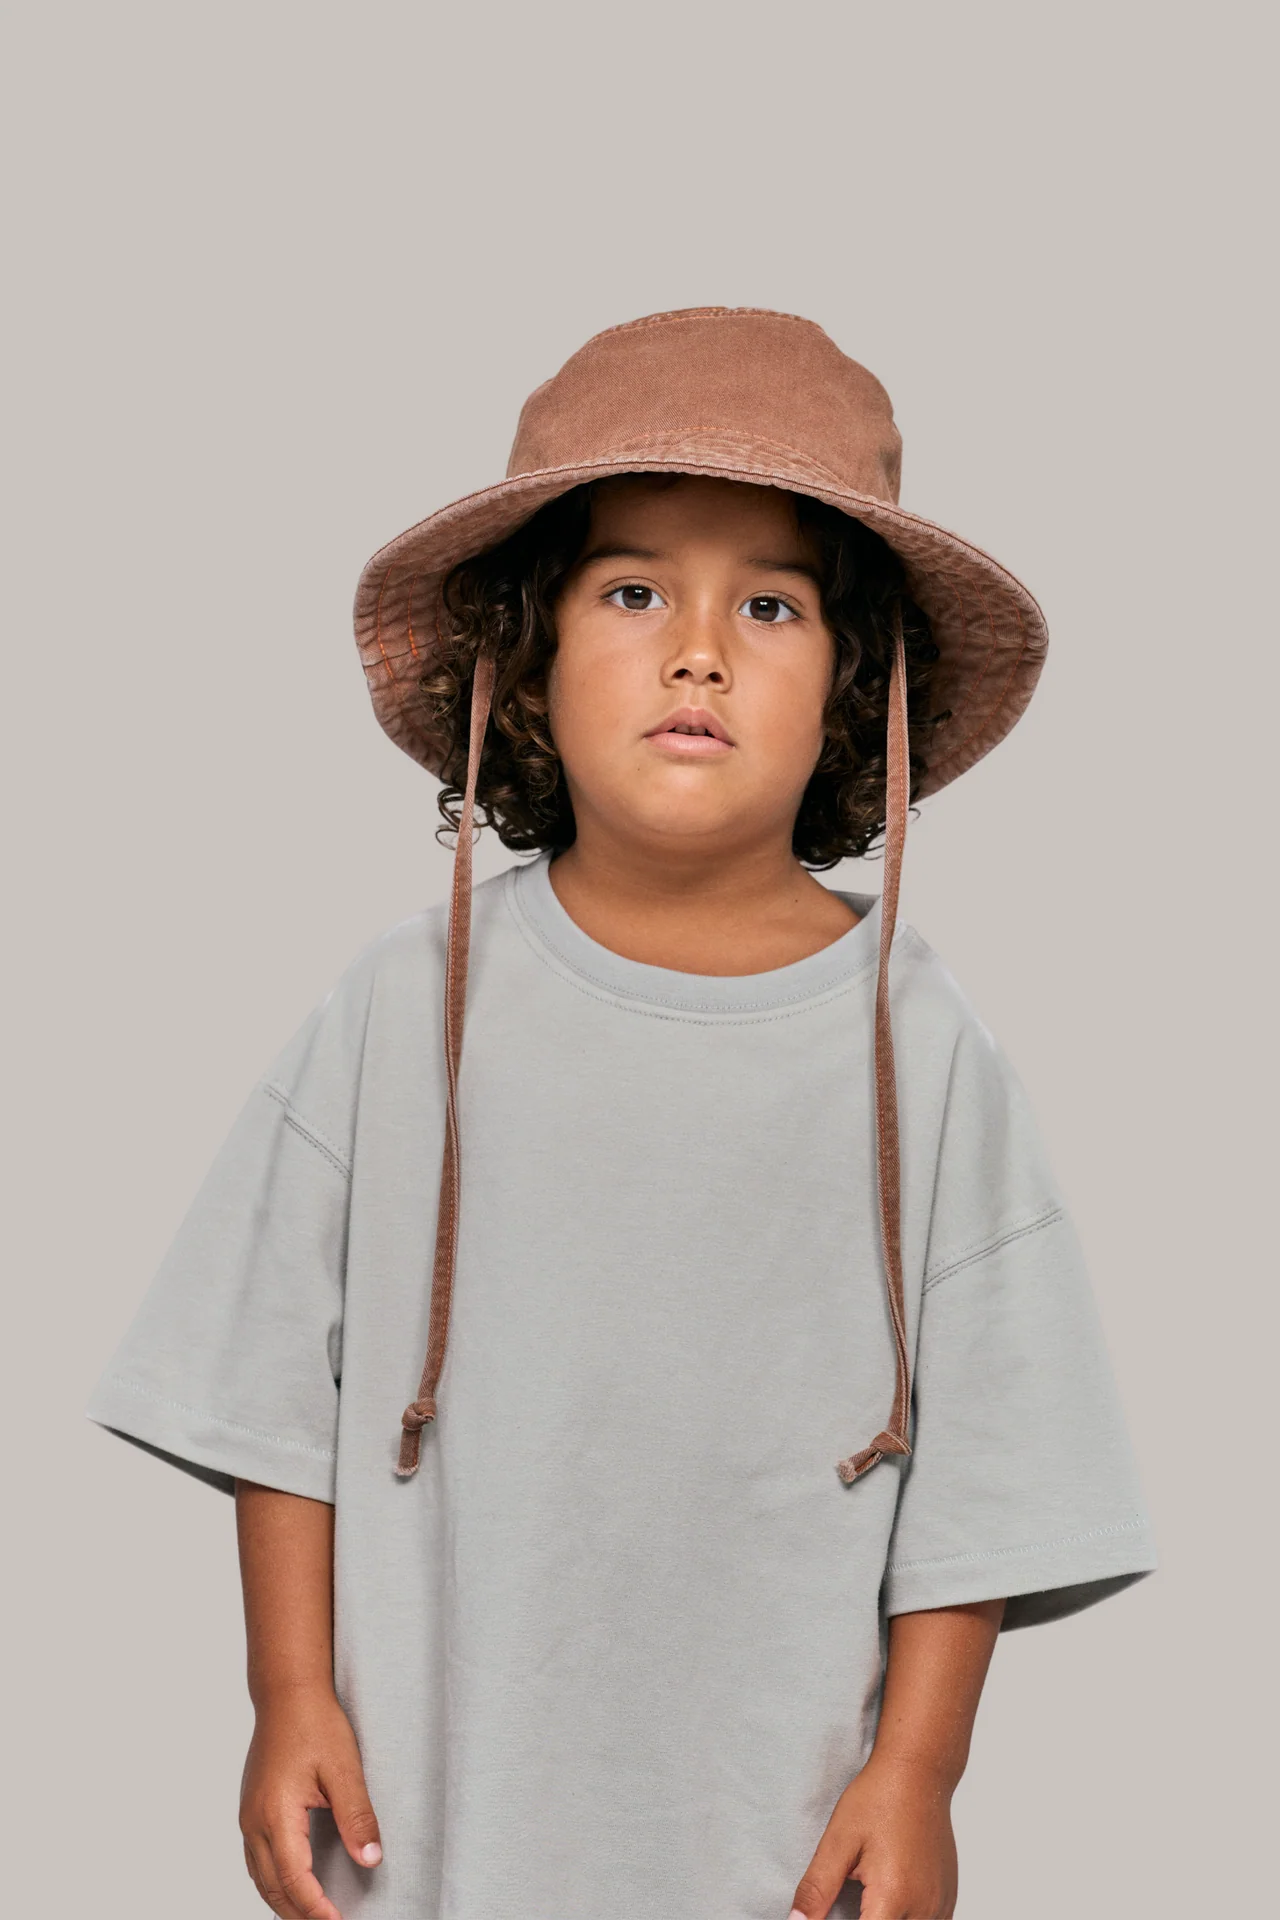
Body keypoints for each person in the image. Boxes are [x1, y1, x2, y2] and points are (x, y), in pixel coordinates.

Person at [87, 307, 1156, 1920]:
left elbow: (996, 1464)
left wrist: (922, 1773)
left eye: (772, 604)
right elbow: (271, 1397)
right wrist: (285, 1693)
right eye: (635, 590)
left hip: (781, 1853)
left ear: (858, 687)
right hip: (430, 1837)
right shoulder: (403, 1005)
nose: (698, 651)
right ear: (525, 655)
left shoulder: (922, 1050)